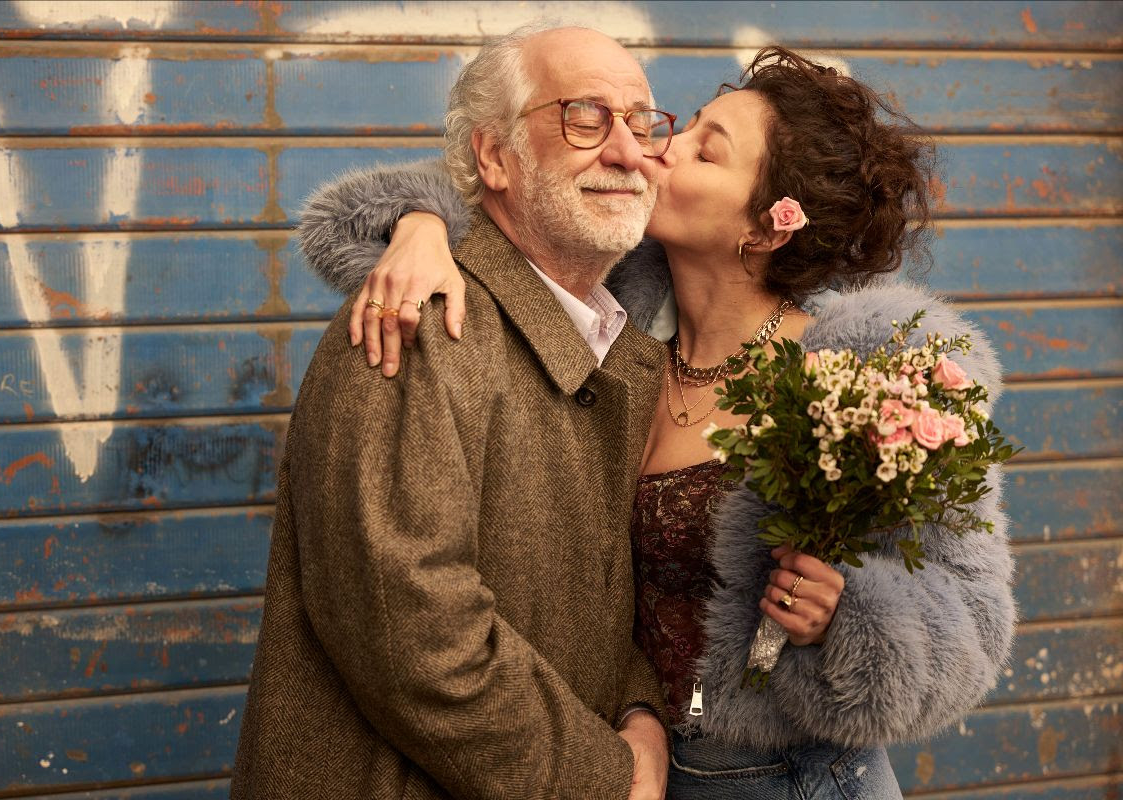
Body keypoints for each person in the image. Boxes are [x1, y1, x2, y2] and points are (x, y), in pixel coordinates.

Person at [299, 45, 1017, 799]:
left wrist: (844, 617)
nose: (657, 149)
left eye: (704, 151)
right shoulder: (617, 330)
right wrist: (420, 226)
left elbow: (972, 615)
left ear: (768, 227)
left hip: (792, 780)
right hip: (634, 769)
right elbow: (515, 193)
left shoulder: (870, 382)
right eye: (684, 126)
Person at [231, 24, 677, 800]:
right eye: (584, 117)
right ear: (493, 157)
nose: (626, 150)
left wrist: (639, 710)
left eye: (641, 121)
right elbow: (411, 629)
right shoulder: (417, 321)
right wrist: (605, 779)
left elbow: (607, 592)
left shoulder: (619, 345)